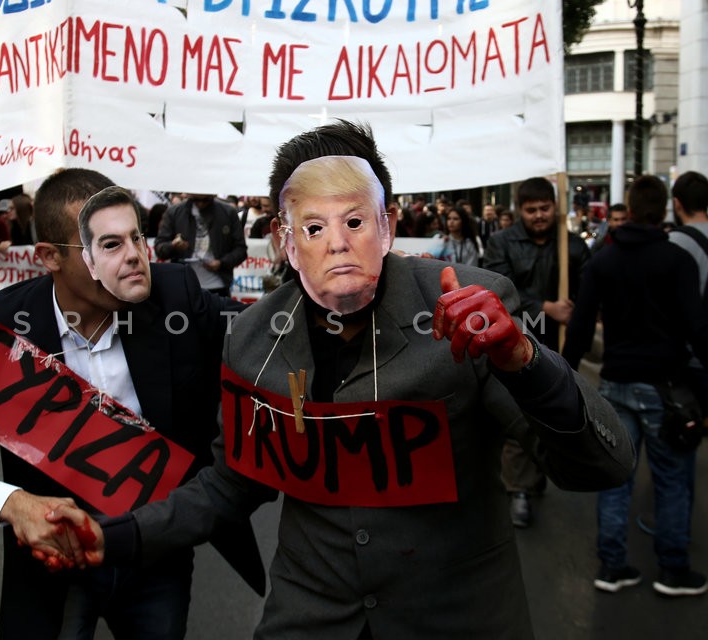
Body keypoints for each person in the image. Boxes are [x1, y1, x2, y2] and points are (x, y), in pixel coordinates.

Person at [46, 120, 633, 639]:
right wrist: (114, 536)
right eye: (314, 226)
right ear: (285, 238)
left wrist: (524, 361)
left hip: (455, 616)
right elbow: (230, 485)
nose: (339, 244)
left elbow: (599, 465)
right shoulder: (254, 338)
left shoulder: (467, 309)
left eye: (355, 221)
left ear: (387, 224)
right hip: (312, 617)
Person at [0, 170, 262, 640]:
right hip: (50, 565)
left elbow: (261, 335)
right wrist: (16, 505)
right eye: (108, 245)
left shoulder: (176, 296)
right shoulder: (0, 329)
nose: (134, 256)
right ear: (49, 257)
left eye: (136, 236)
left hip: (153, 554)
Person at [562, 175, 708, 597]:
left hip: (615, 381)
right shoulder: (675, 261)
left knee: (616, 478)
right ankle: (673, 568)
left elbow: (582, 322)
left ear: (628, 205)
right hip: (665, 386)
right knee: (671, 479)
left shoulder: (604, 262)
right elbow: (696, 325)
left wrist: (568, 376)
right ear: (666, 208)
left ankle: (612, 566)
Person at [483, 177, 591, 528]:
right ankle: (519, 491)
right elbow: (497, 289)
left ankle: (541, 472)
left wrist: (575, 313)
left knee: (557, 414)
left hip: (561, 344)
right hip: (516, 341)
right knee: (519, 415)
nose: (539, 215)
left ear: (554, 207)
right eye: (532, 210)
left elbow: (588, 290)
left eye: (545, 208)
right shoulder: (501, 243)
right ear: (520, 211)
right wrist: (546, 307)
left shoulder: (572, 246)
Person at [154, 194, 247, 297]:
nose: (200, 204)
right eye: (196, 200)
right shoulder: (174, 212)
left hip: (218, 285)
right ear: (189, 195)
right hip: (183, 285)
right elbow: (159, 248)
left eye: (206, 200)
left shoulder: (228, 212)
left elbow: (241, 250)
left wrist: (221, 263)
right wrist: (173, 245)